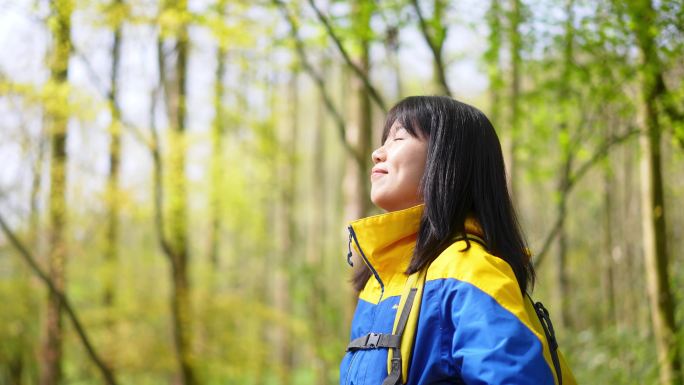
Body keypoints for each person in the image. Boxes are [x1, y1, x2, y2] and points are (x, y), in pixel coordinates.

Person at [340, 96, 577, 385]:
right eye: (383, 140)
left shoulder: (471, 270)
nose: (378, 153)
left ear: (446, 159)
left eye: (397, 138)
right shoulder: (378, 284)